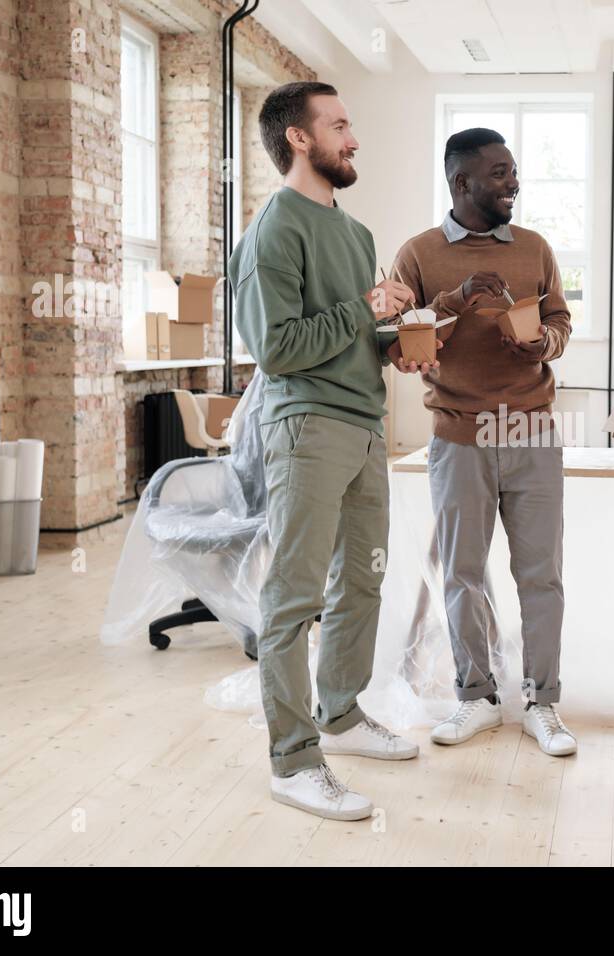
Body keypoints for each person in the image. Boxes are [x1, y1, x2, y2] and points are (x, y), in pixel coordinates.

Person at [228, 81, 437, 821]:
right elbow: (278, 351)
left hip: (362, 425)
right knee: (294, 596)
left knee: (363, 581)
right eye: (340, 125)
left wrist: (394, 346)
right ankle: (293, 759)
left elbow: (351, 339)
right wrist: (364, 311)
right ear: (299, 138)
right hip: (305, 427)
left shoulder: (353, 234)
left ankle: (342, 716)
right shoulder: (273, 231)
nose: (353, 139)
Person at [389, 128, 576, 756]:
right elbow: (401, 340)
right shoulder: (417, 255)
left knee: (541, 575)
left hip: (530, 429)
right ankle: (476, 698)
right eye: (499, 174)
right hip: (458, 435)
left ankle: (543, 704)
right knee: (462, 574)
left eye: (514, 171)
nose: (513, 183)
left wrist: (540, 344)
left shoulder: (536, 247)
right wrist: (455, 300)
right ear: (461, 182)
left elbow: (559, 322)